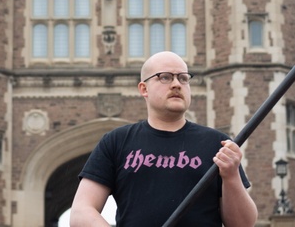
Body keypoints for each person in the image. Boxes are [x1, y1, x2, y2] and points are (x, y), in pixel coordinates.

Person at [70, 51, 258, 227]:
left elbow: (243, 224)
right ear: (144, 89)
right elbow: (81, 211)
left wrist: (231, 175)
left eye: (183, 78)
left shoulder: (218, 144)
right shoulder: (116, 141)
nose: (176, 84)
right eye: (165, 77)